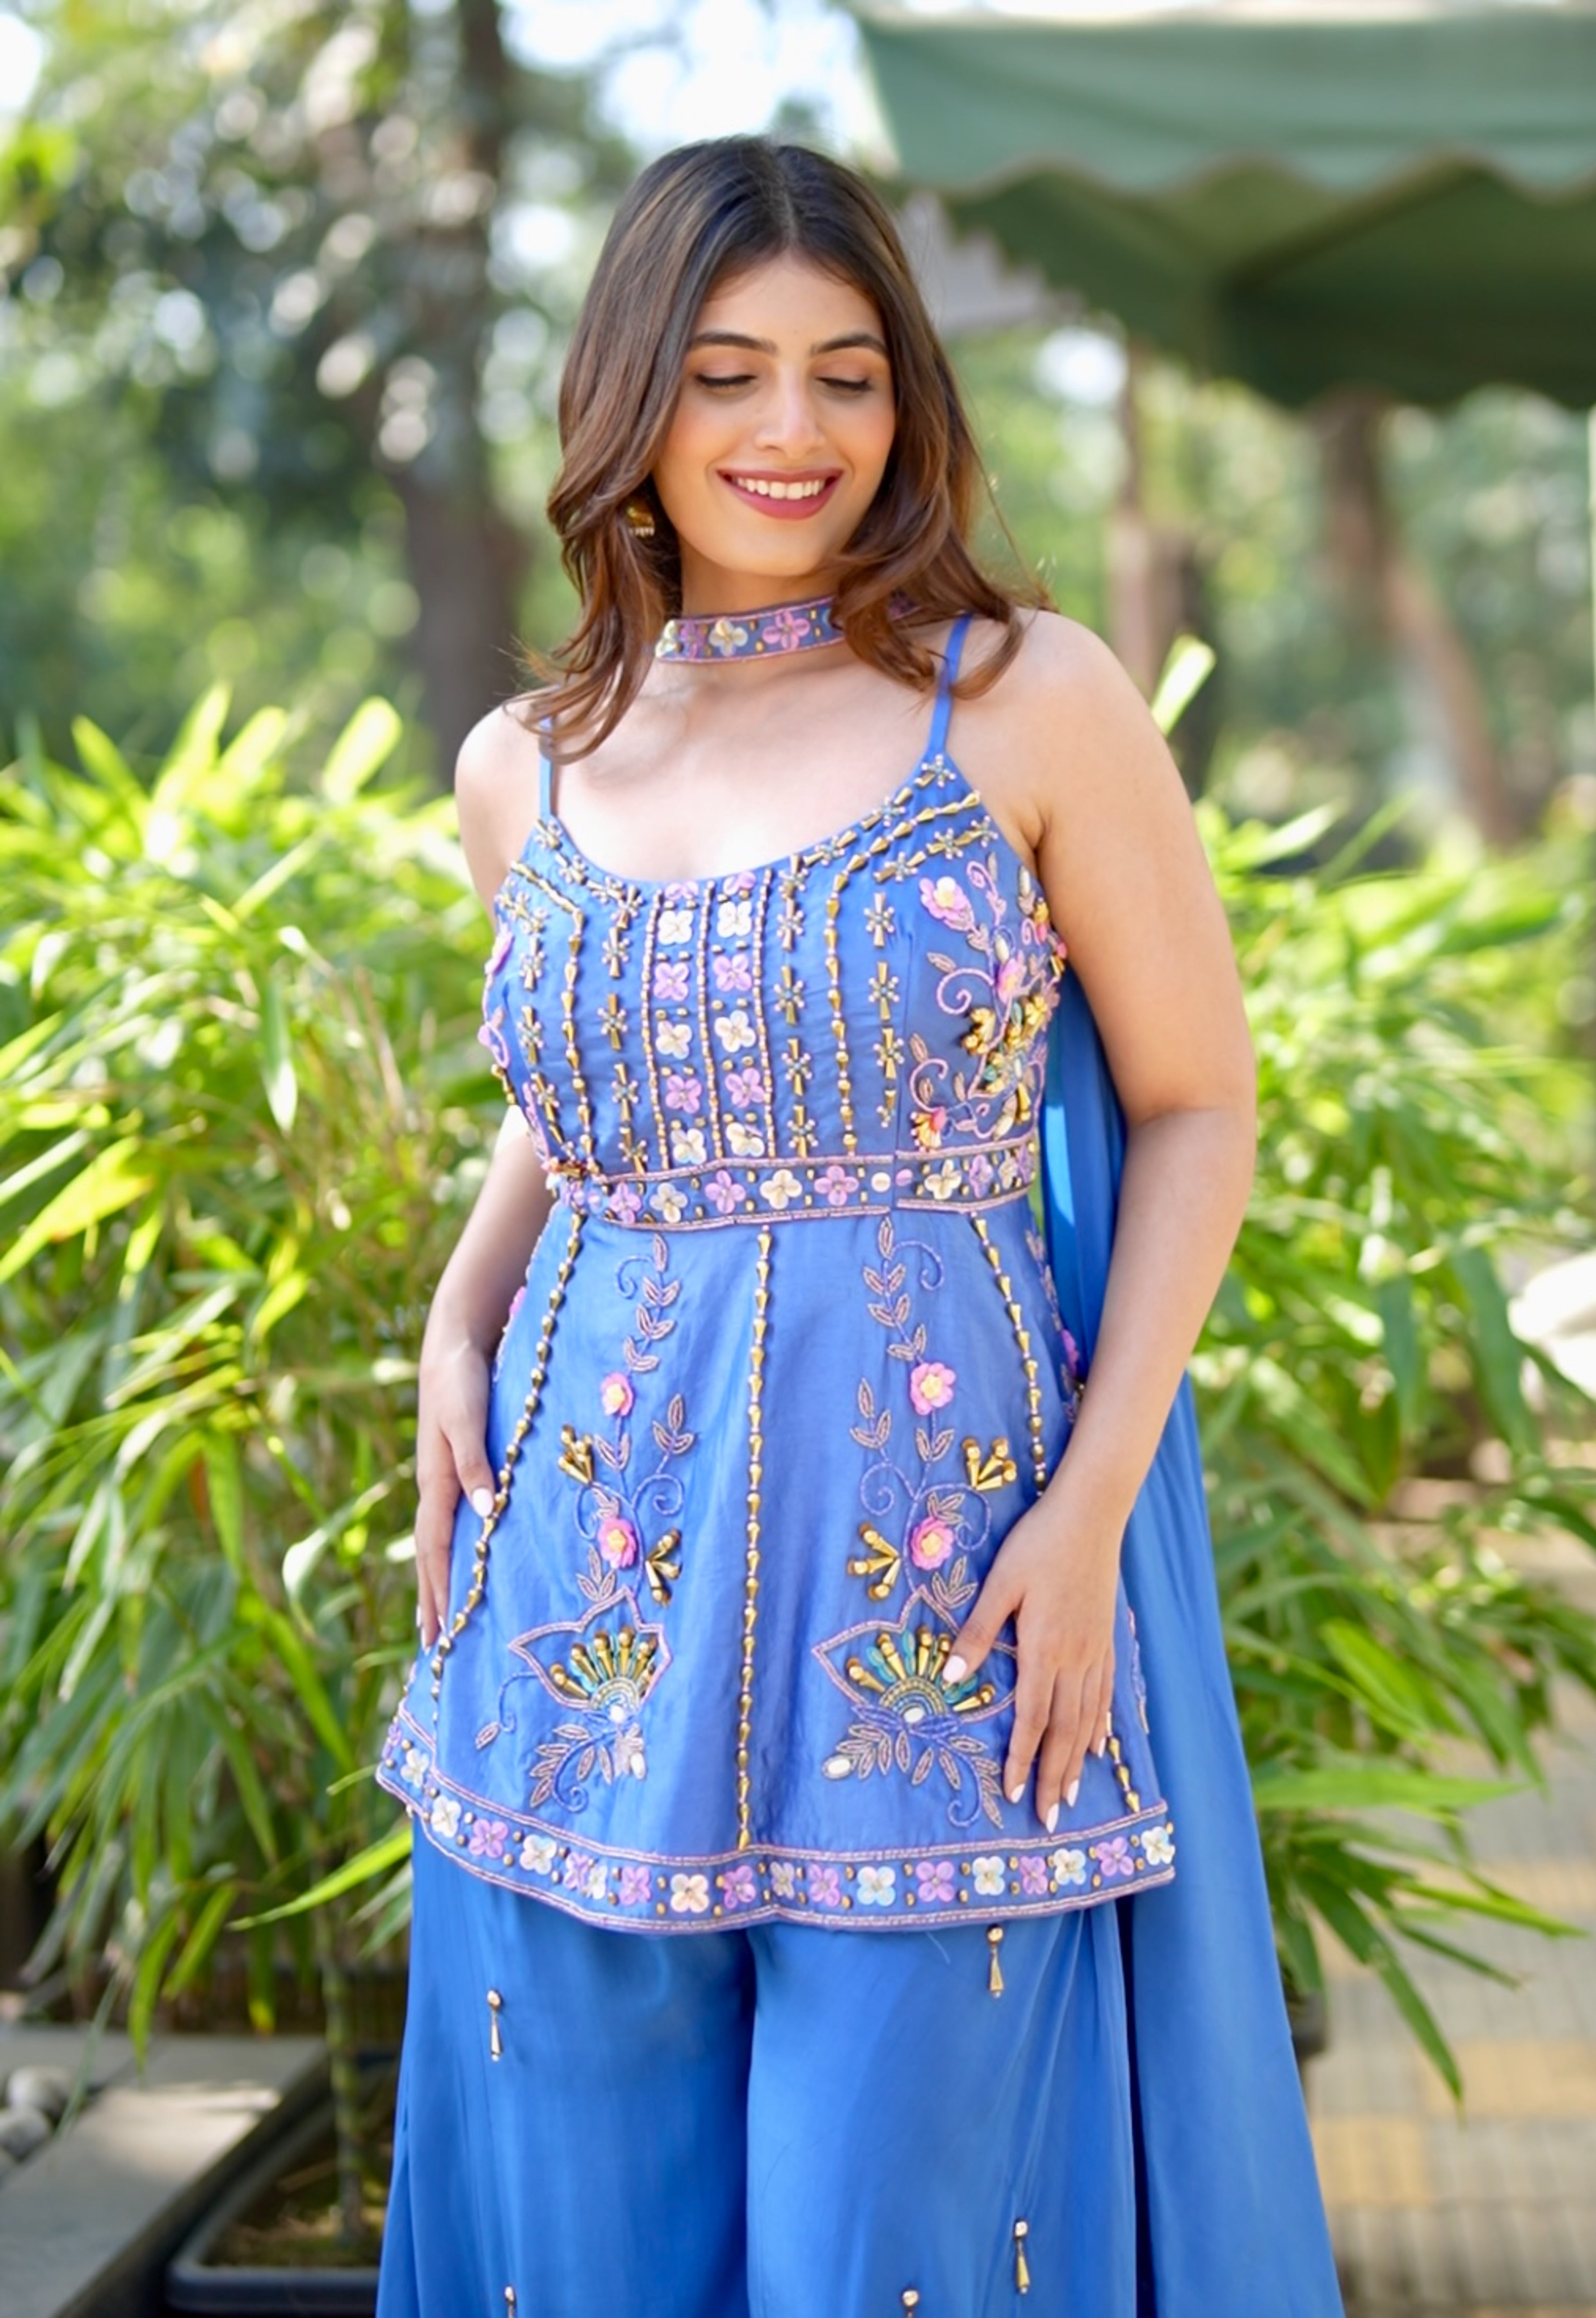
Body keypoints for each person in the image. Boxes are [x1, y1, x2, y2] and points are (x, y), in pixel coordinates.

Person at [375, 135, 1343, 2318]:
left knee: (895, 2255)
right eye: (726, 375)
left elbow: (1197, 1102)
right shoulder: (528, 760)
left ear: (911, 401)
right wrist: (457, 1316)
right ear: (632, 398)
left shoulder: (1023, 701)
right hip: (583, 1607)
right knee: (579, 2253)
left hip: (941, 1608)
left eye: (846, 375)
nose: (791, 433)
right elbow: (599, 1100)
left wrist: (1091, 1511)